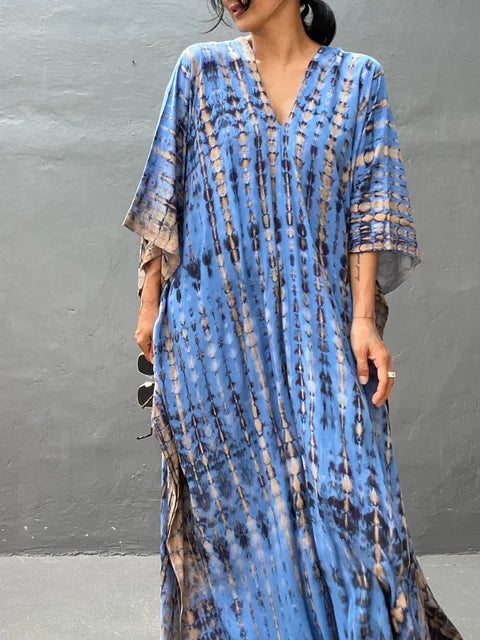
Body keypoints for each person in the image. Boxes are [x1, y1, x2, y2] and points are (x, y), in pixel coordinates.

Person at [122, 0, 464, 637]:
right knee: (238, 528)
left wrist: (363, 321)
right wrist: (148, 308)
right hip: (215, 341)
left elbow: (370, 211)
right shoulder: (200, 72)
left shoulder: (358, 80)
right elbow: (164, 199)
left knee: (358, 516)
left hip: (320, 335)